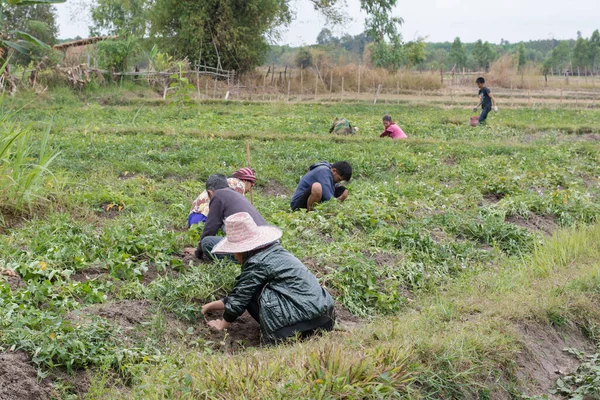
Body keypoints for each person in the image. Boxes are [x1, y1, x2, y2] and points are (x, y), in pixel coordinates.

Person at [201, 212, 336, 343]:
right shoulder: (274, 252)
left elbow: (241, 298)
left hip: (301, 325)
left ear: (243, 250)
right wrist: (210, 306)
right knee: (253, 289)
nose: (234, 256)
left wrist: (222, 324)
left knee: (251, 293)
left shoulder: (256, 262)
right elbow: (240, 294)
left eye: (234, 251)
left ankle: (283, 332)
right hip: (326, 317)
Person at [194, 174, 267, 259]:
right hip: (266, 239)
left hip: (253, 247)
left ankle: (246, 259)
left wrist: (198, 252)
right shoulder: (236, 194)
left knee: (206, 242)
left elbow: (210, 228)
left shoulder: (217, 195)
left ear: (210, 192)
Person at [188, 167, 256, 227]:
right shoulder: (239, 184)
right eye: (251, 185)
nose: (250, 190)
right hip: (205, 217)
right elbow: (237, 210)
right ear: (245, 181)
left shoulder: (227, 182)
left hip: (194, 216)